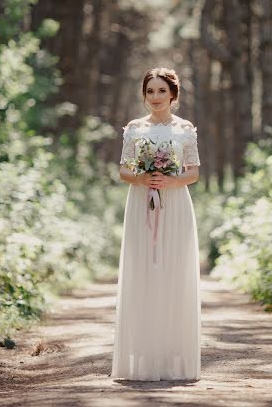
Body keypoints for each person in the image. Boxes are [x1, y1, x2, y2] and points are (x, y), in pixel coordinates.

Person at [111, 67, 201, 382]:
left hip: (175, 204)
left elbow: (193, 172)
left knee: (173, 272)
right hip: (141, 203)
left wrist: (169, 180)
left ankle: (173, 358)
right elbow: (123, 170)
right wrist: (143, 178)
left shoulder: (184, 128)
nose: (155, 97)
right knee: (143, 272)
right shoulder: (134, 128)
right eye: (150, 91)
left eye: (162, 91)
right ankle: (143, 357)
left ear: (173, 95)